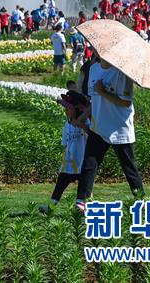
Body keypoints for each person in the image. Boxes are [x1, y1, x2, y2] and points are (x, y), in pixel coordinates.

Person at [75, 57, 144, 213]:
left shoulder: (123, 73)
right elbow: (94, 98)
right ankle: (82, 200)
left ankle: (141, 199)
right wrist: (85, 115)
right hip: (99, 125)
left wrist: (103, 91)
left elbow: (126, 102)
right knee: (89, 163)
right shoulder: (93, 69)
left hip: (119, 127)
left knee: (128, 166)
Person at [39, 83, 90, 215]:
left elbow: (93, 138)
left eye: (69, 108)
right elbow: (65, 143)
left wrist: (83, 126)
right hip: (68, 163)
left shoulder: (87, 124)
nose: (66, 111)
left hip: (82, 163)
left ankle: (83, 207)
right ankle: (51, 206)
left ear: (79, 109)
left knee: (85, 187)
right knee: (60, 185)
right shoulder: (66, 125)